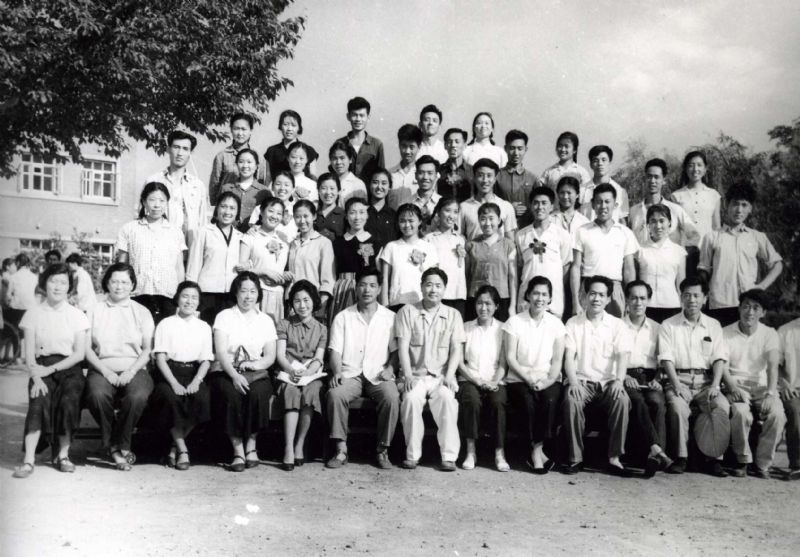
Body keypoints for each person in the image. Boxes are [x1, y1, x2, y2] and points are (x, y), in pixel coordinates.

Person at [13, 264, 89, 478]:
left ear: (69, 287)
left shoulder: (77, 315)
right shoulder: (33, 314)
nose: (57, 286)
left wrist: (51, 369)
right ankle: (28, 461)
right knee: (38, 400)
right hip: (40, 366)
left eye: (63, 282)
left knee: (69, 400)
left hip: (69, 367)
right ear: (44, 284)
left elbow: (79, 354)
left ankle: (63, 456)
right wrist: (36, 377)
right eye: (53, 281)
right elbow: (29, 354)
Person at [326, 268, 400, 470]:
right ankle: (341, 449)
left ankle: (382, 449)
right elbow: (335, 350)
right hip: (351, 373)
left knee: (392, 397)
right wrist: (337, 372)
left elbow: (396, 351)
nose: (367, 290)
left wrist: (390, 368)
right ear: (356, 287)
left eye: (372, 285)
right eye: (363, 285)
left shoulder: (390, 317)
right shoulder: (343, 317)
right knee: (335, 394)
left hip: (378, 373)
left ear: (379, 289)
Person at [84, 263, 155, 471]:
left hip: (135, 367)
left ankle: (116, 445)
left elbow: (147, 349)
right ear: (107, 283)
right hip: (101, 367)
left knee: (137, 396)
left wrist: (131, 371)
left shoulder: (142, 311)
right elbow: (86, 348)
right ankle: (117, 447)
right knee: (97, 395)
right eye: (114, 281)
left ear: (132, 285)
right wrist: (106, 371)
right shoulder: (94, 310)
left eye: (124, 282)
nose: (119, 286)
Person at [658, 277, 731, 477]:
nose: (692, 300)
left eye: (696, 295)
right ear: (681, 297)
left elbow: (719, 358)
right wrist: (676, 385)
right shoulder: (668, 325)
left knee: (721, 405)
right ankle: (681, 458)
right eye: (687, 295)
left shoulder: (713, 325)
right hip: (678, 379)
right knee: (677, 407)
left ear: (705, 298)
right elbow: (666, 358)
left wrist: (715, 385)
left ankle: (715, 459)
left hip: (706, 382)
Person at [562, 275, 633, 476]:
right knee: (571, 401)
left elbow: (622, 356)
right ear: (585, 296)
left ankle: (614, 458)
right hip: (582, 381)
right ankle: (576, 458)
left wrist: (619, 381)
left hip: (609, 383)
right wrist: (573, 382)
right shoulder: (573, 323)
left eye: (602, 295)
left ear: (608, 299)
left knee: (622, 400)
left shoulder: (617, 325)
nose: (596, 299)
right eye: (592, 294)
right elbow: (569, 357)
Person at [208, 271, 277, 472]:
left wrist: (255, 365)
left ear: (258, 294)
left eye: (252, 291)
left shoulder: (265, 320)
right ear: (236, 293)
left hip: (255, 371)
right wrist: (235, 375)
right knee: (231, 394)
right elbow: (221, 352)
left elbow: (270, 356)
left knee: (258, 393)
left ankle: (251, 446)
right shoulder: (224, 316)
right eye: (243, 291)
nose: (248, 296)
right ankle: (237, 450)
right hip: (226, 369)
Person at [396, 268, 464, 471]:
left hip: (440, 376)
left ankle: (449, 457)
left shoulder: (453, 315)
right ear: (421, 287)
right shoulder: (407, 312)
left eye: (438, 286)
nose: (433, 290)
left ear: (444, 289)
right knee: (410, 399)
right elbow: (402, 347)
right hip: (414, 375)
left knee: (447, 399)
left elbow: (456, 349)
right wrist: (408, 375)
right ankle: (412, 455)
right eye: (429, 285)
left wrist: (449, 376)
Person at [503, 277, 566, 473]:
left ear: (550, 298)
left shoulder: (556, 324)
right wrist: (528, 378)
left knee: (549, 400)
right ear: (528, 295)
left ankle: (537, 450)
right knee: (528, 402)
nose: (540, 298)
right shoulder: (514, 322)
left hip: (547, 378)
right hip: (519, 377)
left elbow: (557, 360)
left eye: (544, 294)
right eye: (536, 293)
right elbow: (510, 358)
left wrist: (547, 382)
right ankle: (536, 451)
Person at [698, 182, 783, 326]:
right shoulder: (712, 237)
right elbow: (703, 270)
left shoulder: (757, 237)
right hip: (720, 304)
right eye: (735, 204)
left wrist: (762, 286)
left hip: (749, 306)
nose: (739, 210)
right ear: (727, 205)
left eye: (744, 205)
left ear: (750, 208)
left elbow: (777, 264)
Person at [150, 281, 213, 471]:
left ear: (199, 301)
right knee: (171, 398)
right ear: (177, 298)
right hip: (170, 372)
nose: (189, 301)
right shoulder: (165, 324)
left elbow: (206, 360)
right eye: (185, 296)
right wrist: (174, 383)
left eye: (194, 298)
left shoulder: (204, 327)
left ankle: (173, 447)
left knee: (201, 398)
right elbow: (160, 358)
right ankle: (183, 449)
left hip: (194, 372)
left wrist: (197, 381)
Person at [722, 289, 785, 478]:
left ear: (763, 312)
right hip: (736, 384)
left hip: (762, 386)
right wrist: (733, 387)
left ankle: (762, 464)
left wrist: (770, 394)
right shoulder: (726, 332)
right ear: (739, 308)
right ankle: (743, 460)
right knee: (740, 412)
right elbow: (722, 365)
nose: (750, 312)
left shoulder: (769, 334)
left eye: (756, 308)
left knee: (777, 415)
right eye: (746, 306)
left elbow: (772, 366)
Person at [275, 281, 327, 471]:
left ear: (314, 301)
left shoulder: (321, 329)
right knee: (291, 392)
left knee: (311, 393)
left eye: (306, 300)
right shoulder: (285, 324)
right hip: (287, 372)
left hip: (310, 374)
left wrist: (308, 372)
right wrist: (291, 371)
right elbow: (280, 355)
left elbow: (318, 358)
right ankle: (288, 447)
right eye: (297, 301)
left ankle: (300, 444)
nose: (302, 305)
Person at [623, 280, 673, 477]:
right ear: (627, 300)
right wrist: (624, 376)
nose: (638, 302)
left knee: (657, 402)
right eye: (634, 298)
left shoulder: (658, 328)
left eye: (642, 298)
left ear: (649, 300)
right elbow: (609, 359)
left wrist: (658, 379)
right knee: (636, 400)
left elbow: (664, 359)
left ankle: (654, 455)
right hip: (625, 375)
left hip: (650, 377)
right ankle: (657, 451)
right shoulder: (617, 326)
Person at [117, 182, 186, 324]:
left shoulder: (175, 232)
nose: (157, 205)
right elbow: (122, 265)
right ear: (144, 202)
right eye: (152, 200)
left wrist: (180, 295)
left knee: (165, 335)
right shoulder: (129, 229)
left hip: (168, 296)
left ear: (167, 203)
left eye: (161, 200)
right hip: (137, 295)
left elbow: (179, 267)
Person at [458, 285, 508, 471]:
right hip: (470, 379)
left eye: (488, 304)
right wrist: (476, 380)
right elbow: (459, 363)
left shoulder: (503, 329)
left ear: (496, 306)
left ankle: (499, 453)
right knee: (471, 400)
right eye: (479, 303)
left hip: (495, 379)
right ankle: (471, 452)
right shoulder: (466, 328)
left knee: (498, 402)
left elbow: (504, 363)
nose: (483, 308)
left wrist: (494, 382)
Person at [571, 183, 638, 318]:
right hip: (589, 288)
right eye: (599, 202)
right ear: (593, 205)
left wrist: (630, 299)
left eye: (607, 202)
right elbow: (576, 267)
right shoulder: (582, 231)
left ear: (615, 204)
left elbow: (629, 269)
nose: (603, 206)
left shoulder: (625, 233)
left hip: (615, 289)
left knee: (616, 328)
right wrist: (575, 301)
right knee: (586, 328)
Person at [186, 191, 243, 325]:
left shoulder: (240, 236)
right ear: (217, 209)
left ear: (237, 212)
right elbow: (193, 265)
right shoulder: (204, 232)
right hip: (207, 293)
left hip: (231, 294)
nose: (227, 212)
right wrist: (191, 294)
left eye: (232, 208)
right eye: (223, 206)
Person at [515, 186, 572, 318]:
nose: (540, 207)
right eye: (536, 203)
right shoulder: (521, 235)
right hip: (527, 299)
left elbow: (566, 267)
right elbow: (519, 267)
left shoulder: (562, 235)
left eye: (544, 203)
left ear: (552, 207)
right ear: (531, 206)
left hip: (553, 300)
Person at [145, 130, 208, 247]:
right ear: (168, 149)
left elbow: (202, 223)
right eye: (176, 147)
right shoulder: (154, 181)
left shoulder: (198, 186)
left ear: (190, 153)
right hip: (160, 246)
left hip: (190, 247)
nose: (180, 153)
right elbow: (143, 217)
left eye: (185, 149)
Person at [237, 196, 291, 325]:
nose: (274, 216)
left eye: (279, 213)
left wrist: (285, 277)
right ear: (261, 212)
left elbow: (283, 270)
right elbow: (240, 271)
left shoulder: (284, 240)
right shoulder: (250, 237)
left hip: (278, 296)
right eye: (271, 211)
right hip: (255, 294)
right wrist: (264, 272)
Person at [378, 204, 439, 312]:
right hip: (397, 303)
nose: (407, 225)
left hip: (423, 303)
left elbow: (435, 278)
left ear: (419, 221)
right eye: (402, 221)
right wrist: (384, 306)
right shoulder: (391, 247)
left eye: (411, 221)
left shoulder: (429, 247)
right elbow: (384, 280)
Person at [330, 197, 381, 323]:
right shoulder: (338, 242)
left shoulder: (375, 242)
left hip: (366, 289)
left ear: (367, 215)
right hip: (342, 289)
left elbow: (379, 271)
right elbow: (332, 271)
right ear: (346, 216)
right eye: (352, 213)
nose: (357, 217)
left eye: (362, 212)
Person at [628, 158, 700, 248]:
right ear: (644, 179)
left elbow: (694, 236)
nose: (652, 181)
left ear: (664, 180)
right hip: (642, 256)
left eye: (656, 177)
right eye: (649, 177)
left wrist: (681, 253)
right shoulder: (634, 211)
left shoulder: (675, 210)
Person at [669, 151, 721, 274]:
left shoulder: (714, 195)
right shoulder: (676, 196)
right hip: (685, 252)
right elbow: (675, 229)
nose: (695, 169)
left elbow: (716, 226)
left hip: (708, 250)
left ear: (705, 169)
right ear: (685, 169)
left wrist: (717, 250)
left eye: (699, 165)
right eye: (691, 165)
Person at [464, 203, 516, 321]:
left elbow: (513, 277)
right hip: (476, 300)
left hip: (501, 300)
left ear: (499, 220)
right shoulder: (471, 245)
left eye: (491, 218)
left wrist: (512, 306)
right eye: (483, 219)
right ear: (478, 221)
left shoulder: (508, 245)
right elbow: (466, 276)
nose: (487, 223)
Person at [636, 204, 686, 323]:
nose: (658, 226)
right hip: (646, 306)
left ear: (669, 223)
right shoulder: (639, 251)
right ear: (648, 225)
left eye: (662, 221)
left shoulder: (679, 252)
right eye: (653, 221)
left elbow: (681, 285)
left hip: (672, 306)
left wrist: (684, 309)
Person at [287, 200, 335, 320]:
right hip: (293, 304)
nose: (302, 221)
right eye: (298, 217)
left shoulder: (323, 243)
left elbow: (328, 279)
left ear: (314, 216)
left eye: (306, 216)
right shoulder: (292, 243)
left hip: (313, 305)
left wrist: (321, 306)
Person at [210, 113, 269, 205]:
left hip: (250, 205)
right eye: (236, 129)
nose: (240, 133)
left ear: (250, 131)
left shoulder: (258, 157)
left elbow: (262, 183)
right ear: (231, 130)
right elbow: (214, 185)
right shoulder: (222, 156)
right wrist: (215, 206)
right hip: (227, 205)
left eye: (244, 129)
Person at [425, 198, 467, 315]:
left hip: (458, 294)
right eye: (447, 210)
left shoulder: (461, 239)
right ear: (438, 212)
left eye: (455, 212)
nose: (451, 216)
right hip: (437, 294)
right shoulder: (429, 239)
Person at [459, 158, 518, 241]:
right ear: (474, 178)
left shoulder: (506, 206)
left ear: (495, 179)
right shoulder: (464, 207)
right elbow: (458, 237)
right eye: (480, 175)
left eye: (489, 176)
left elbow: (510, 240)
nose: (485, 180)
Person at [219, 148, 270, 233]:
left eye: (249, 162)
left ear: (256, 165)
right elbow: (219, 214)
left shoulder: (265, 191)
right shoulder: (226, 189)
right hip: (229, 234)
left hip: (254, 236)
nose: (245, 165)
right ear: (236, 164)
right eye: (241, 162)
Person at [336, 96, 385, 182]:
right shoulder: (340, 143)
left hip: (368, 190)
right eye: (354, 115)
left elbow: (381, 174)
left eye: (362, 115)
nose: (358, 119)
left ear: (368, 117)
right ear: (348, 116)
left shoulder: (377, 145)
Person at [579, 145, 630, 224]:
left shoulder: (620, 191)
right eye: (595, 160)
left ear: (610, 163)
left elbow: (623, 221)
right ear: (591, 164)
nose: (600, 163)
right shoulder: (581, 190)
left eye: (604, 160)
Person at [496, 129, 538, 222]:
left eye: (520, 148)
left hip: (527, 226)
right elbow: (488, 203)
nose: (516, 153)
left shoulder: (533, 178)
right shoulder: (496, 176)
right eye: (512, 148)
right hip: (503, 226)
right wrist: (508, 209)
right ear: (505, 148)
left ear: (525, 149)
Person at [391, 155, 442, 230]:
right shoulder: (404, 204)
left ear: (436, 176)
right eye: (421, 173)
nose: (425, 177)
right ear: (415, 175)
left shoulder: (442, 203)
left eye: (430, 173)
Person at [264, 109, 319, 178]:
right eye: (285, 124)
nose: (289, 129)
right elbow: (268, 178)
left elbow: (313, 177)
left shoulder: (309, 150)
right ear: (280, 126)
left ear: (299, 128)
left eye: (293, 125)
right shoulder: (272, 151)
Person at [779, 315, 800, 479]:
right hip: (792, 389)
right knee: (795, 412)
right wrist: (784, 383)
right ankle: (797, 464)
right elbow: (774, 364)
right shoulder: (785, 331)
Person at [388, 124, 422, 208]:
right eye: (404, 146)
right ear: (399, 145)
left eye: (411, 147)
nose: (407, 151)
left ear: (419, 147)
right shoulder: (389, 174)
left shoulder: (423, 175)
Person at [436, 128, 474, 202]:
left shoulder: (472, 171)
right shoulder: (439, 170)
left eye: (457, 142)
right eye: (449, 142)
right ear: (445, 145)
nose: (453, 145)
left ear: (465, 145)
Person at [329, 140, 368, 209]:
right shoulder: (327, 182)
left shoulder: (358, 184)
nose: (338, 162)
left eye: (342, 158)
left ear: (350, 160)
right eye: (335, 158)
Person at [365, 168, 398, 248]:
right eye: (375, 182)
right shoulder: (362, 213)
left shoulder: (394, 216)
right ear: (369, 185)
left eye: (384, 183)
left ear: (389, 187)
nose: (379, 187)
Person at [4, 252, 38, 328]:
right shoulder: (35, 277)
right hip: (31, 307)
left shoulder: (13, 277)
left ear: (18, 263)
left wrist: (7, 303)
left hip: (17, 308)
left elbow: (8, 295)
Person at [314, 173, 345, 241]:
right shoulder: (313, 215)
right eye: (324, 188)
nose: (328, 192)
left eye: (332, 188)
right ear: (318, 191)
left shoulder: (344, 216)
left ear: (339, 191)